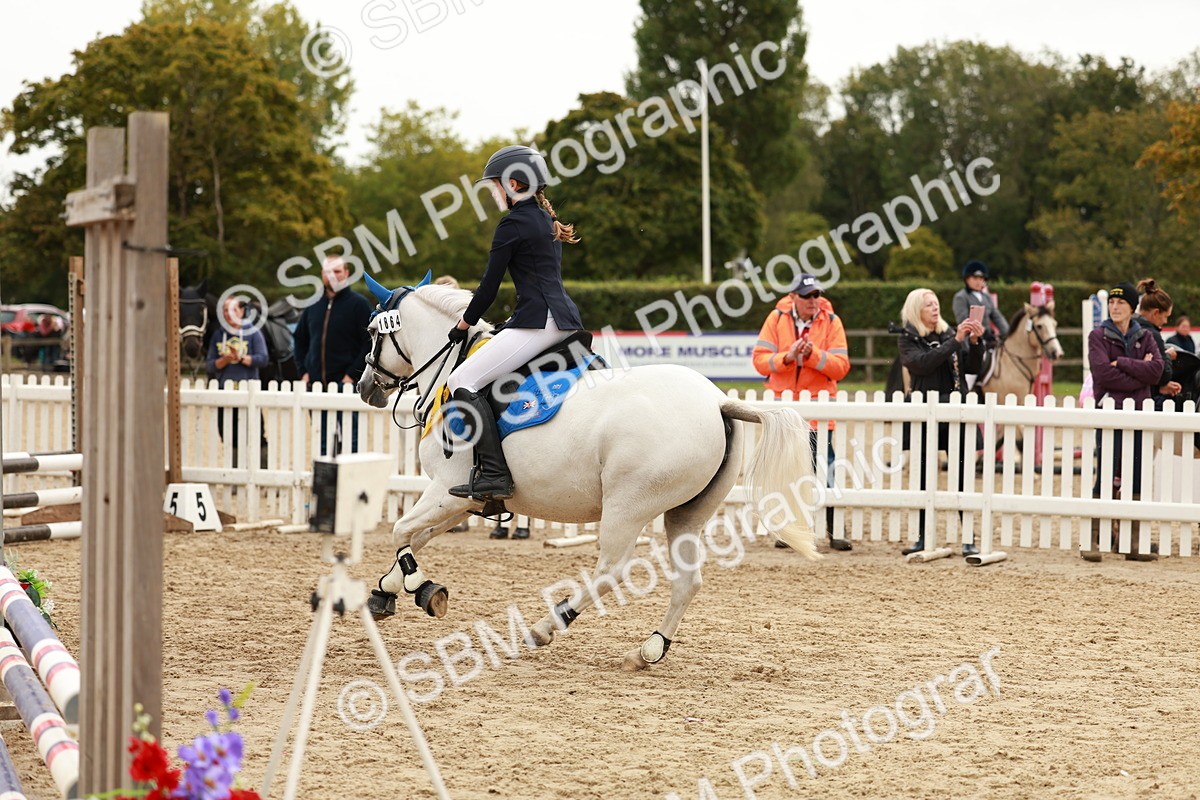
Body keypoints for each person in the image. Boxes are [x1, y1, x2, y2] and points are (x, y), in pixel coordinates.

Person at [444, 145, 585, 502]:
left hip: (539, 322)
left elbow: (489, 286)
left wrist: (464, 324)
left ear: (513, 184)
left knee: (461, 379)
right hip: (563, 320)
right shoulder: (544, 220)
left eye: (494, 186)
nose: (493, 194)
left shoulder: (513, 223)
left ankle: (494, 475)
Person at [752, 273, 853, 552]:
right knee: (787, 472)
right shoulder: (776, 319)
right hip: (785, 410)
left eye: (816, 295)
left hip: (819, 410)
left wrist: (812, 355)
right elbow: (759, 361)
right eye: (807, 295)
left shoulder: (832, 321)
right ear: (793, 297)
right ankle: (789, 531)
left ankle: (836, 530)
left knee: (826, 469)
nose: (814, 300)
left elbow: (842, 366)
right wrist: (788, 356)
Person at [896, 288, 985, 557]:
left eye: (936, 304)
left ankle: (968, 538)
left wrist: (976, 343)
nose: (935, 309)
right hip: (926, 414)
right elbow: (923, 364)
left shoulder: (948, 333)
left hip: (955, 411)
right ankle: (923, 538)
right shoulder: (908, 338)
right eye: (928, 305)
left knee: (962, 478)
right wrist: (956, 341)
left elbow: (971, 369)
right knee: (923, 477)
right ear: (916, 311)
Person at [1083, 281, 1163, 562]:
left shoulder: (1146, 336)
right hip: (1110, 412)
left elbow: (1156, 371)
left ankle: (1132, 543)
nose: (1115, 307)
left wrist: (1124, 363)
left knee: (1136, 476)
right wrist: (1139, 369)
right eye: (1112, 303)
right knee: (1106, 471)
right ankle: (1093, 540)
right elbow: (1103, 375)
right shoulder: (1098, 335)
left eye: (1121, 303)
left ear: (1131, 308)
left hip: (1139, 413)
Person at [294, 255, 373, 455]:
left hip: (346, 385)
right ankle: (325, 486)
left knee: (351, 441)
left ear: (346, 273)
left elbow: (370, 343)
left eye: (337, 271)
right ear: (322, 275)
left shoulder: (359, 304)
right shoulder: (312, 306)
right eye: (328, 272)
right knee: (322, 442)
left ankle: (351, 485)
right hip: (317, 386)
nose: (332, 276)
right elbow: (299, 340)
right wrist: (304, 371)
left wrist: (351, 375)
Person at [206, 297, 269, 466]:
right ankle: (235, 473)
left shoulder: (253, 333)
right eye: (226, 310)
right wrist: (225, 360)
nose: (229, 314)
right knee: (227, 433)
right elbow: (210, 365)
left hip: (248, 391)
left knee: (255, 432)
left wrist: (241, 358)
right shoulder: (218, 335)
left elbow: (263, 359)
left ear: (242, 311)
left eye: (234, 309)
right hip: (225, 393)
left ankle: (262, 471)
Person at [952, 260, 1008, 389]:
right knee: (974, 364)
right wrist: (982, 332)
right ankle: (965, 389)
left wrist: (1008, 333)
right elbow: (963, 319)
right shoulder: (961, 297)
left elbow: (997, 316)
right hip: (968, 341)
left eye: (981, 278)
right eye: (975, 278)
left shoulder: (986, 297)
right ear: (967, 279)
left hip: (987, 340)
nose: (979, 281)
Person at [1131, 278, 1181, 409]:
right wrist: (1168, 356)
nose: (1165, 321)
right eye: (1166, 316)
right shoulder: (1152, 335)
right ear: (1156, 313)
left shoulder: (1126, 327)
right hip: (1141, 402)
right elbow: (1163, 375)